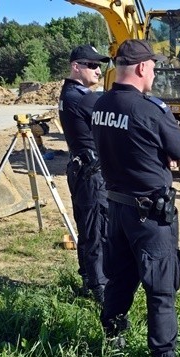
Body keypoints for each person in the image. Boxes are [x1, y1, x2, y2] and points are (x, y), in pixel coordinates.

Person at [92, 39, 180, 357]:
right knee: (161, 288)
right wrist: (165, 156)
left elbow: (126, 147)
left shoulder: (100, 105)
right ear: (141, 68)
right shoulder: (150, 109)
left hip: (117, 209)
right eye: (152, 66)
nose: (154, 72)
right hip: (151, 216)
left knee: (120, 278)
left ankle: (114, 341)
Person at [58, 45, 110, 304]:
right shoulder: (82, 97)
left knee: (88, 228)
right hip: (91, 173)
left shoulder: (68, 94)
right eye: (92, 65)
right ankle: (100, 289)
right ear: (76, 67)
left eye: (99, 65)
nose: (98, 71)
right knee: (98, 229)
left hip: (81, 170)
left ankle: (90, 278)